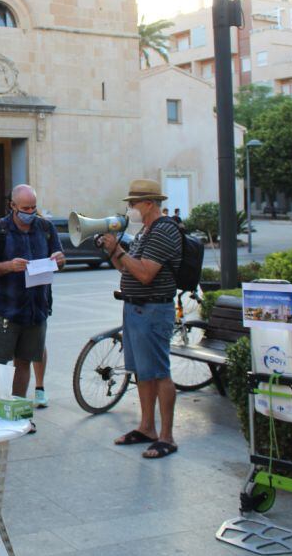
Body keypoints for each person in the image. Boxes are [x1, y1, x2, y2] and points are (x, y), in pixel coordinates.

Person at [99, 179, 182, 459]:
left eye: (133, 203)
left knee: (159, 373)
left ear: (149, 203)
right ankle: (147, 428)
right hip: (136, 310)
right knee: (142, 372)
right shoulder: (144, 232)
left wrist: (119, 249)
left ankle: (167, 436)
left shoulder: (163, 231)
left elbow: (146, 273)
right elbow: (126, 270)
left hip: (154, 310)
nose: (130, 208)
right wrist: (113, 250)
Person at [0, 184, 65, 419]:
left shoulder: (46, 228)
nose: (30, 212)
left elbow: (60, 260)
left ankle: (16, 413)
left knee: (24, 362)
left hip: (37, 309)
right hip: (6, 308)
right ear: (12, 206)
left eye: (34, 207)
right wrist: (8, 266)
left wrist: (59, 259)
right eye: (25, 208)